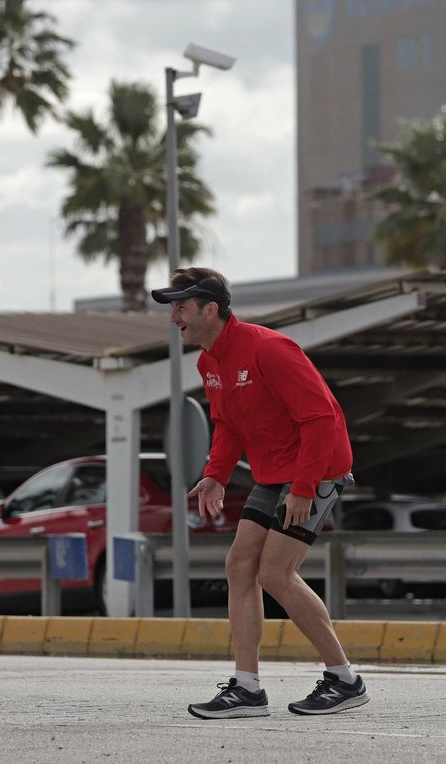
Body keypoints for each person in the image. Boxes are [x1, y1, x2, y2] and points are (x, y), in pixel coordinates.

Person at [152, 267, 369, 719]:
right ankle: (247, 688)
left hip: (317, 469)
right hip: (274, 474)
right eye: (172, 309)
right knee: (239, 566)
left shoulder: (270, 349)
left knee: (276, 574)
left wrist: (305, 488)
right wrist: (215, 475)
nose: (174, 318)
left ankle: (345, 679)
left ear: (210, 309)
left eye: (181, 308)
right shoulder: (208, 361)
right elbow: (228, 425)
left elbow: (320, 418)